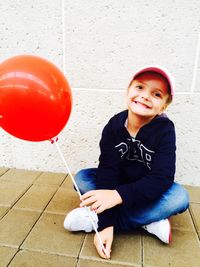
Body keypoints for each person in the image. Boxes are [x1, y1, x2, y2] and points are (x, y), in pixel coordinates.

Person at [63, 66, 189, 259]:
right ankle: (149, 219)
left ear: (163, 107)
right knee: (81, 179)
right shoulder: (114, 126)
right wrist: (112, 195)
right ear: (128, 91)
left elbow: (161, 177)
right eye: (139, 87)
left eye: (156, 94)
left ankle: (95, 220)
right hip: (117, 184)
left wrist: (107, 221)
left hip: (146, 188)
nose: (145, 96)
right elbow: (107, 169)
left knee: (180, 197)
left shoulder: (165, 130)